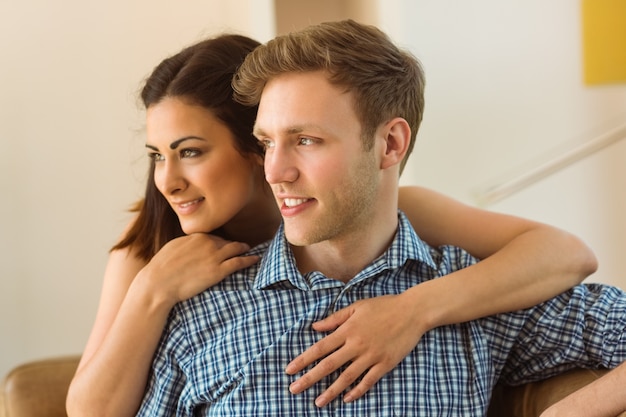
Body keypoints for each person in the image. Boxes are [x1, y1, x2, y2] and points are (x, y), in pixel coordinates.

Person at [66, 33, 598, 417]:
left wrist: (412, 311)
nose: (169, 181)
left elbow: (565, 254)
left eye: (191, 152)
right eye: (157, 155)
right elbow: (91, 409)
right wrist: (151, 293)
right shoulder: (164, 269)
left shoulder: (412, 222)